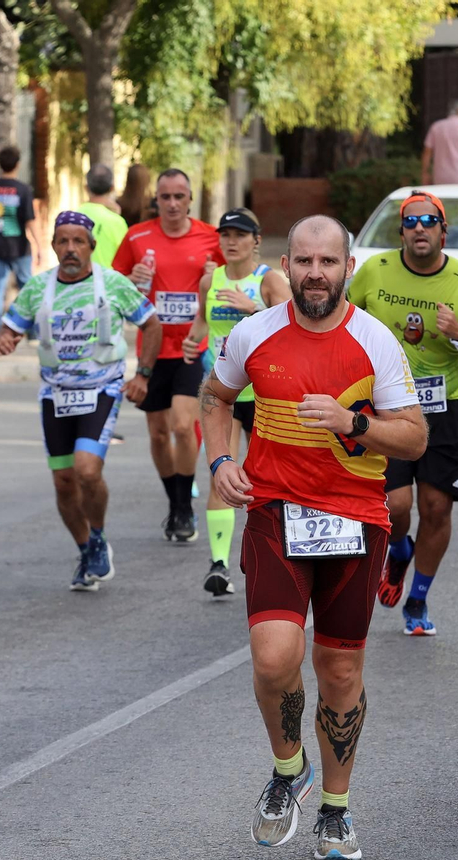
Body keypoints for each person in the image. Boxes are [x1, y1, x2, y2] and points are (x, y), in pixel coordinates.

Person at [203, 214, 425, 860]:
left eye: (328, 262)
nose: (316, 274)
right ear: (287, 264)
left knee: (339, 669)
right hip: (276, 510)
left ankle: (335, 810)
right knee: (274, 657)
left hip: (356, 519)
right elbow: (216, 397)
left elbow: (413, 436)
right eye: (304, 262)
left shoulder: (376, 343)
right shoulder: (254, 333)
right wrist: (221, 463)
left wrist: (352, 421)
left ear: (348, 268)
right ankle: (287, 766)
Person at [348, 191, 458, 636]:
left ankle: (418, 598)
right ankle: (397, 552)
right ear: (402, 231)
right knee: (395, 505)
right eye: (411, 222)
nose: (420, 228)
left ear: (443, 230)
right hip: (387, 407)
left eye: (429, 221)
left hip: (444, 408)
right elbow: (342, 321)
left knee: (437, 508)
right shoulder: (375, 271)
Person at [0, 212, 162, 590]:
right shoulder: (38, 288)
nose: (70, 249)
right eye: (62, 242)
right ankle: (86, 548)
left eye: (78, 241)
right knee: (64, 482)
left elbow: (151, 323)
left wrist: (143, 375)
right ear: (53, 246)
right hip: (56, 395)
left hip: (101, 389)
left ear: (91, 246)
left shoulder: (113, 284)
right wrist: (5, 339)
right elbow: (10, 327)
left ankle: (99, 535)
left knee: (87, 469)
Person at [182, 208, 289, 596]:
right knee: (222, 471)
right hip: (225, 392)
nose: (231, 241)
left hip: (265, 395)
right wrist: (192, 342)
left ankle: (278, 553)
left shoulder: (269, 281)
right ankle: (219, 564)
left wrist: (254, 310)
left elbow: (295, 331)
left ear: (256, 241)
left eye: (240, 234)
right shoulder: (210, 280)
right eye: (225, 234)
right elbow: (202, 324)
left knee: (269, 476)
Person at [113, 168, 224, 542]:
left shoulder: (210, 237)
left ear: (190, 199)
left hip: (193, 346)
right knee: (159, 434)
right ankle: (175, 503)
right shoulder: (136, 236)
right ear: (156, 200)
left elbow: (233, 280)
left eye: (180, 196)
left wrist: (215, 274)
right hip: (152, 348)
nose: (173, 203)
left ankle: (184, 507)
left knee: (181, 425)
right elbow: (115, 286)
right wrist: (134, 280)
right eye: (166, 197)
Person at [0, 145, 40, 340]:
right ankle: (32, 331)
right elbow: (30, 220)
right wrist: (39, 244)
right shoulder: (23, 190)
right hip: (20, 247)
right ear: (18, 164)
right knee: (27, 288)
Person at [75, 164, 129, 265]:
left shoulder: (75, 216)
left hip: (79, 279)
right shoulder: (117, 222)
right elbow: (126, 256)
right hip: (109, 279)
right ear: (112, 188)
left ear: (86, 188)